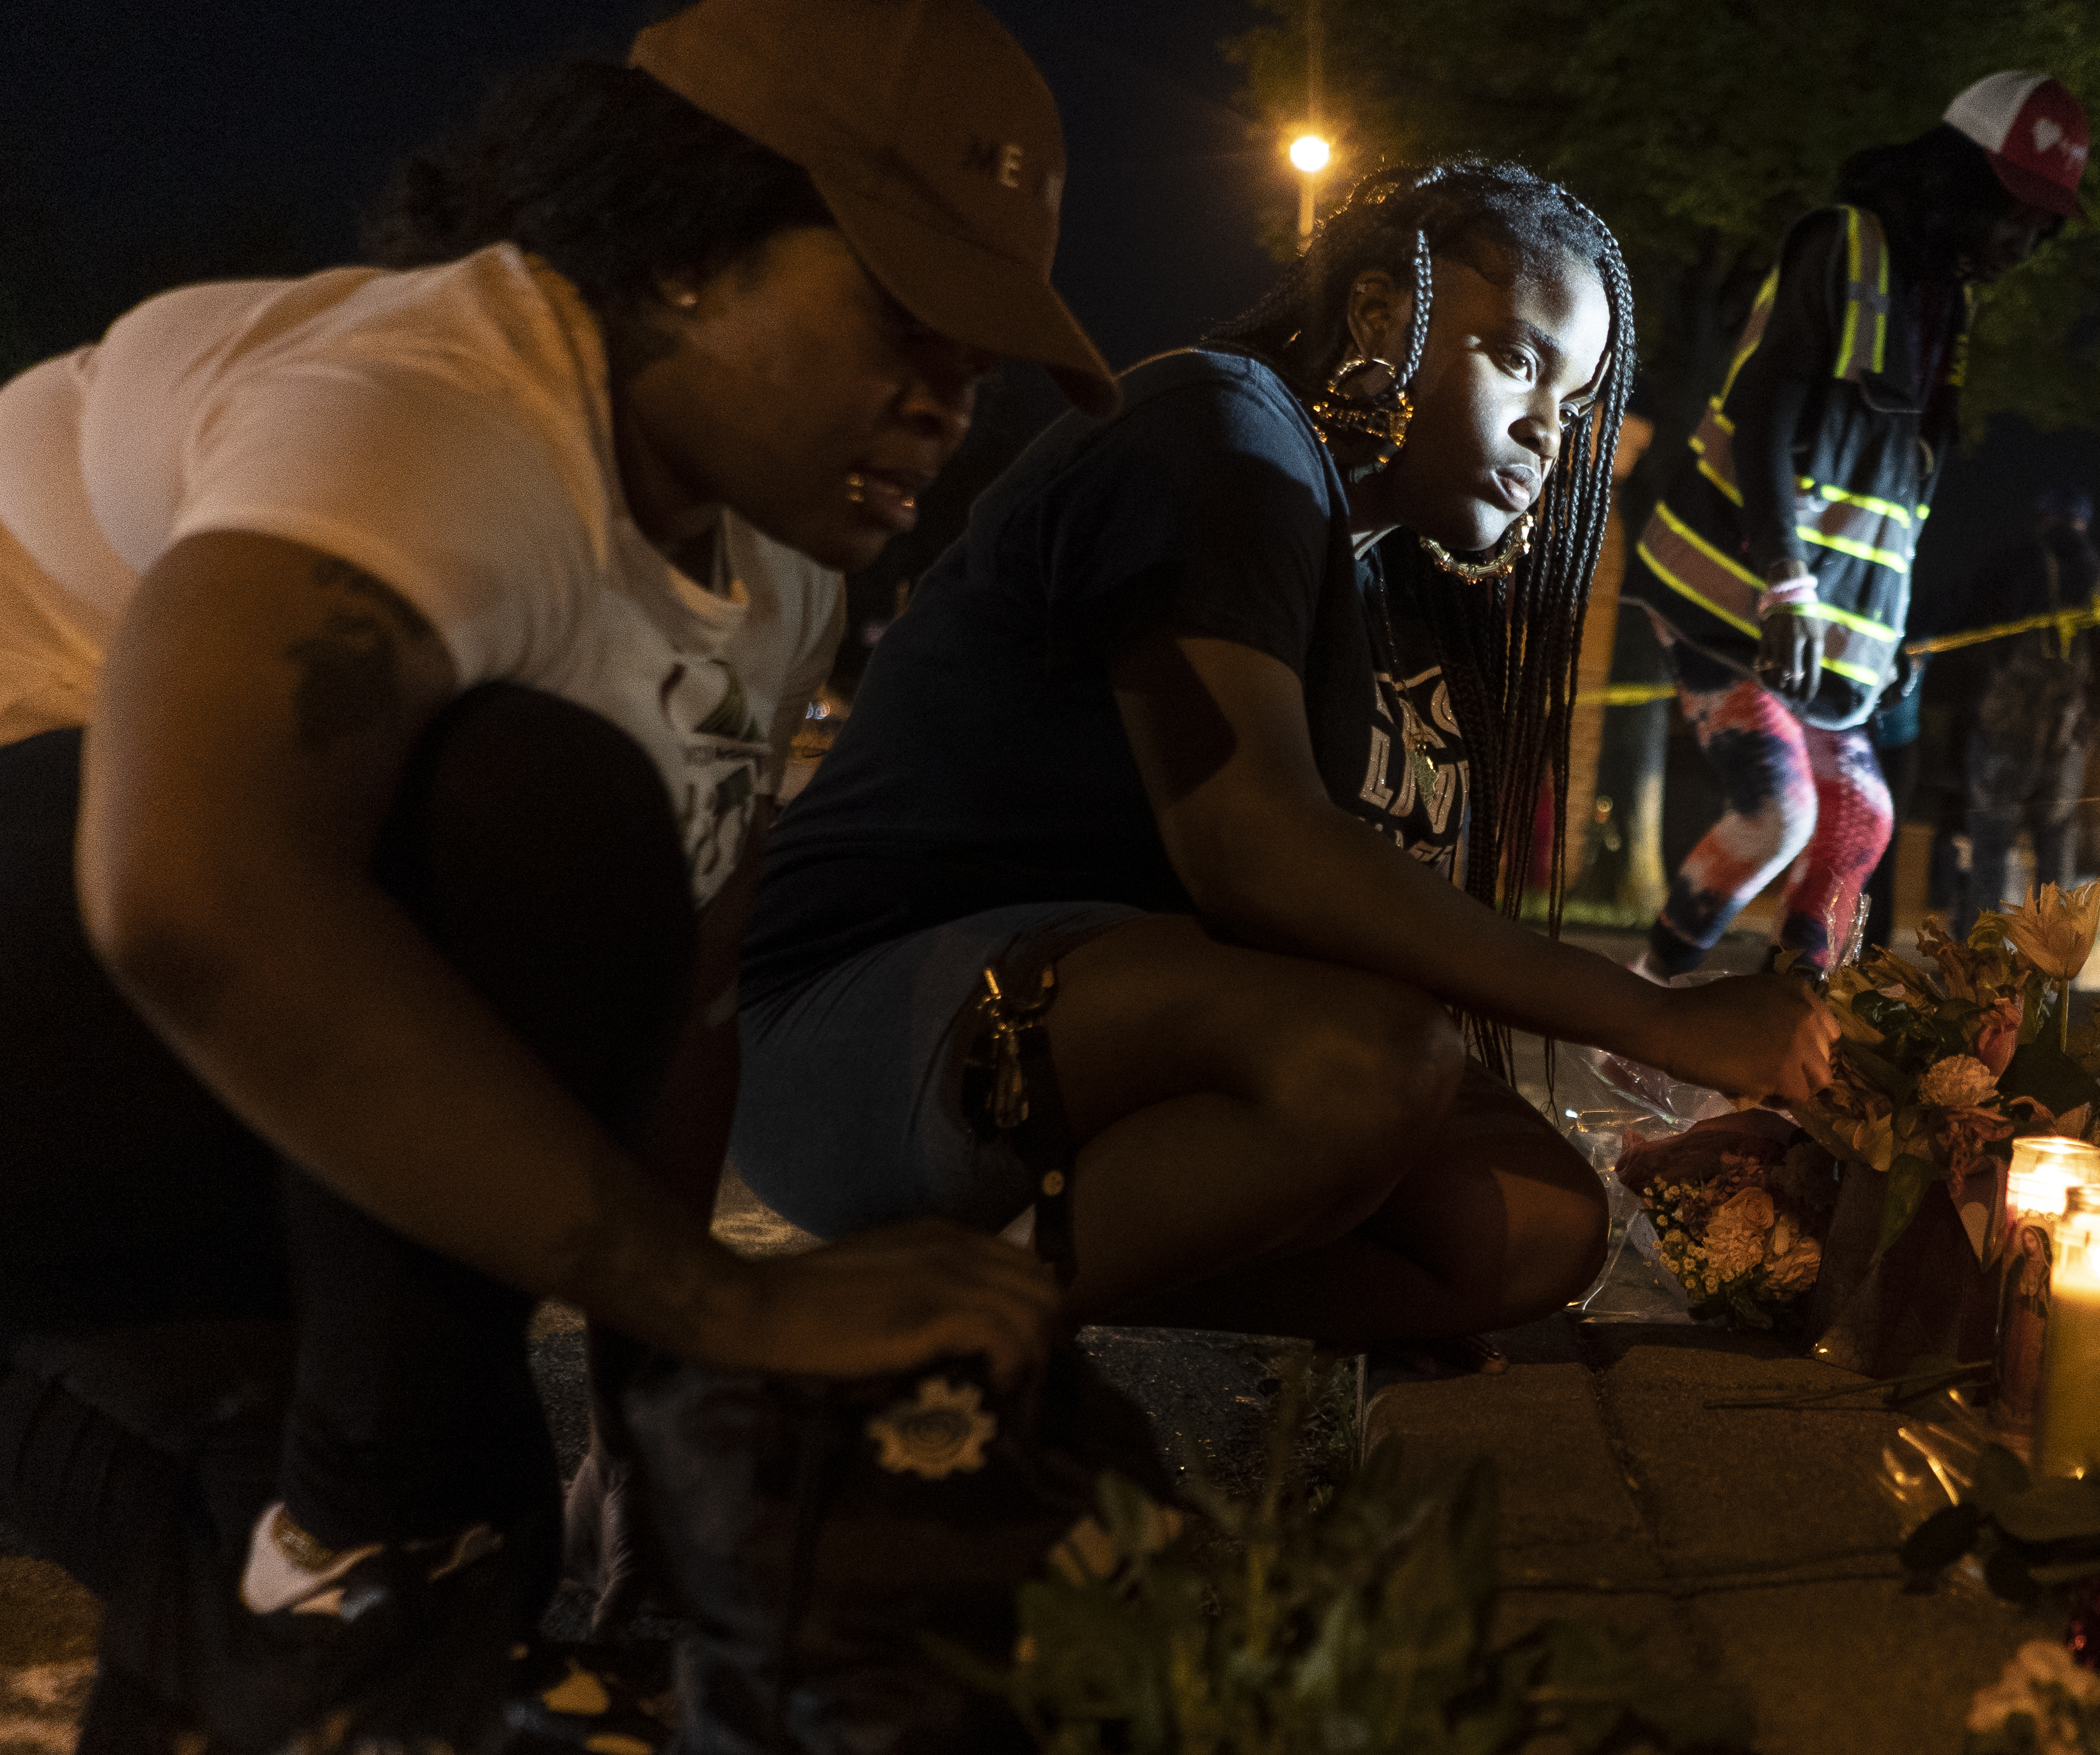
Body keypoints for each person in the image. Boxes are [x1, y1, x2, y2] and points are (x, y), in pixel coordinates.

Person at [0, 0, 1083, 1755]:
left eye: (982, 348)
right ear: (681, 244)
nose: (949, 395)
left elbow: (679, 1016)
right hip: (26, 987)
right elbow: (198, 892)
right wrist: (715, 1298)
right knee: (537, 805)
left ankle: (335, 1637)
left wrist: (675, 1449)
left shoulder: (780, 566)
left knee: (337, 1621)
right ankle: (369, 1562)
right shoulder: (446, 399)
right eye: (903, 315)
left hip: (91, 1119)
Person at [732, 162, 1837, 1372]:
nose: (1546, 432)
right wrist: (1668, 1020)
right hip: (866, 1023)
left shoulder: (1376, 570)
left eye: (1574, 406)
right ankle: (920, 1360)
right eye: (1519, 361)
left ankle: (1010, 1273)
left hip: (1111, 1017)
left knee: (1536, 1232)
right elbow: (1254, 848)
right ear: (1378, 316)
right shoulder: (1223, 429)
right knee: (1362, 1064)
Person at [1622, 71, 2089, 977]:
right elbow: (1763, 415)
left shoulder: (1949, 307)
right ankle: (1636, 1023)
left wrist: (1883, 635)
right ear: (1959, 180)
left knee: (1864, 820)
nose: (2028, 243)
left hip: (1829, 634)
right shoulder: (1842, 246)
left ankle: (1779, 1057)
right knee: (1778, 812)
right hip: (1733, 593)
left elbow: (1893, 496)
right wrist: (1787, 583)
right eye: (2018, 214)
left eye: (2045, 228)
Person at [1952, 484, 2100, 932]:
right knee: (2056, 861)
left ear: (2042, 519)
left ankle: (1979, 970)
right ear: (2083, 522)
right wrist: (2087, 730)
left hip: (2002, 733)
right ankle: (2052, 978)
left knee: (1990, 852)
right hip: (2063, 740)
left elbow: (1969, 638)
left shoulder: (2011, 566)